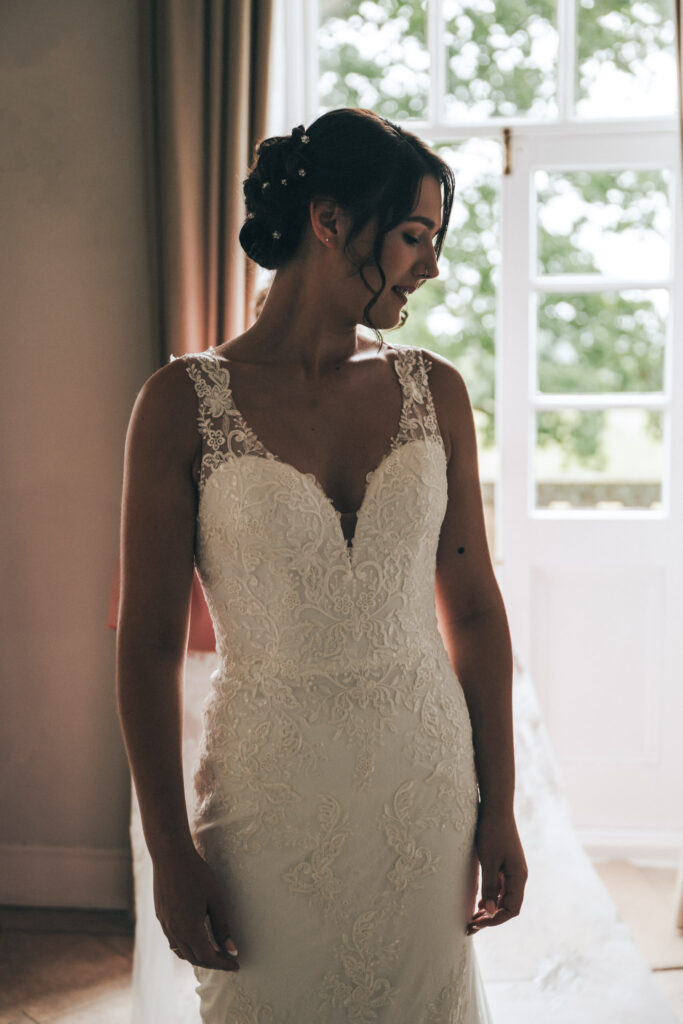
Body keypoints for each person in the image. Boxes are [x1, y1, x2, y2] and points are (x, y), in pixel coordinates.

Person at [116, 107, 527, 1023]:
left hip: (422, 795)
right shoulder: (181, 403)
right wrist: (169, 852)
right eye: (415, 234)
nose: (430, 264)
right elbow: (146, 643)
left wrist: (497, 807)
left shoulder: (436, 392)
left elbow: (473, 613)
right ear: (330, 220)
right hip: (266, 806)